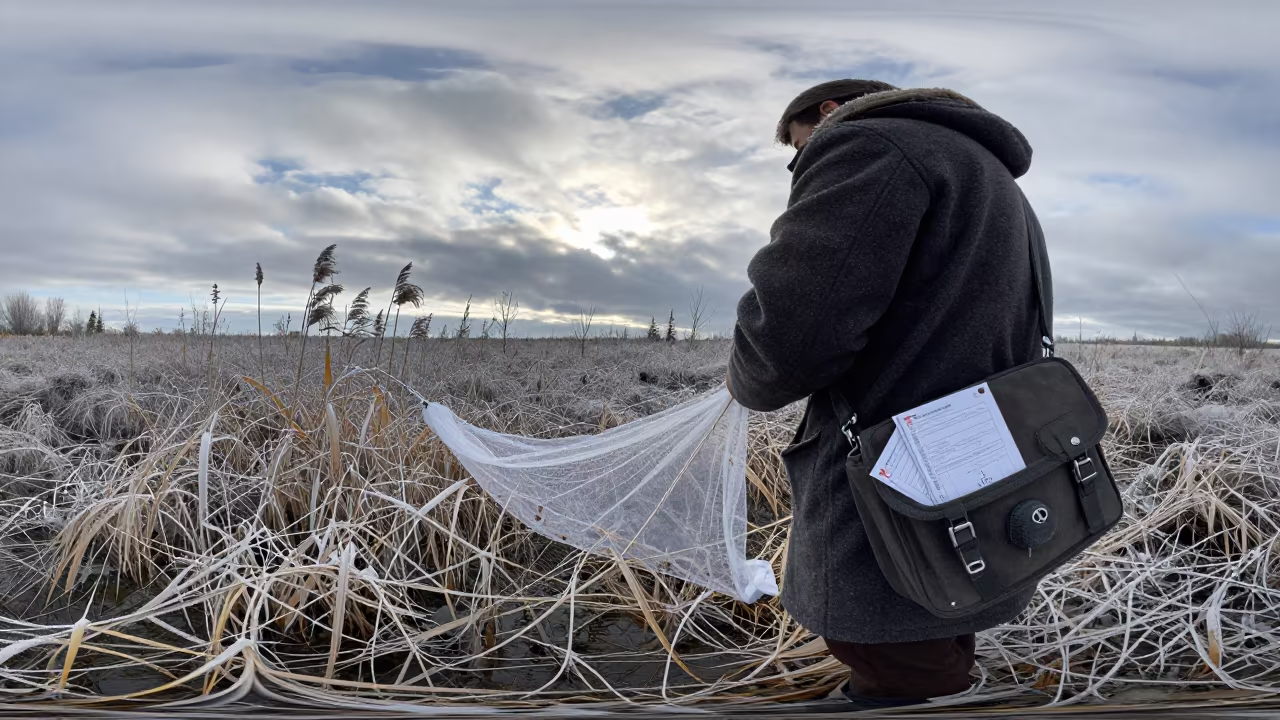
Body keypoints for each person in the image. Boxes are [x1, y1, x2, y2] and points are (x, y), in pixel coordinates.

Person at [725, 79, 1052, 709]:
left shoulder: (869, 145)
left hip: (893, 476)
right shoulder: (989, 174)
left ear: (826, 113)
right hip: (980, 461)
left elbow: (785, 344)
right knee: (940, 619)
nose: (799, 164)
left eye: (797, 149)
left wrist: (743, 375)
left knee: (894, 658)